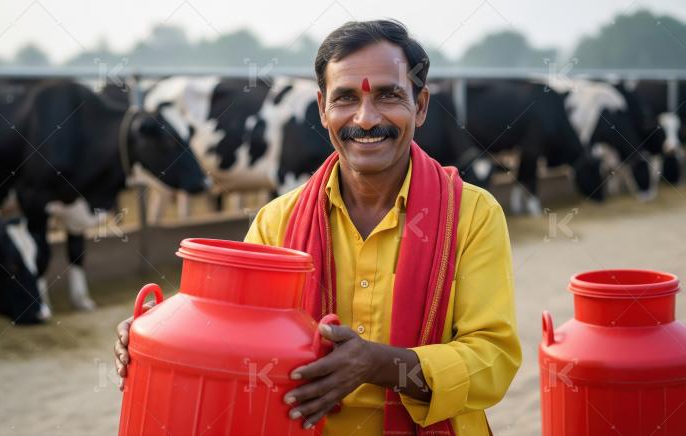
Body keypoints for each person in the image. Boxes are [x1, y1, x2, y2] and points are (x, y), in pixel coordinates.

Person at [114, 19, 521, 435]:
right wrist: (153, 336)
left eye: (388, 96)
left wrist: (381, 365)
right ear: (322, 108)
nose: (365, 119)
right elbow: (232, 333)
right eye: (345, 98)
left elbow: (492, 360)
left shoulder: (471, 214)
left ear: (420, 106)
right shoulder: (277, 221)